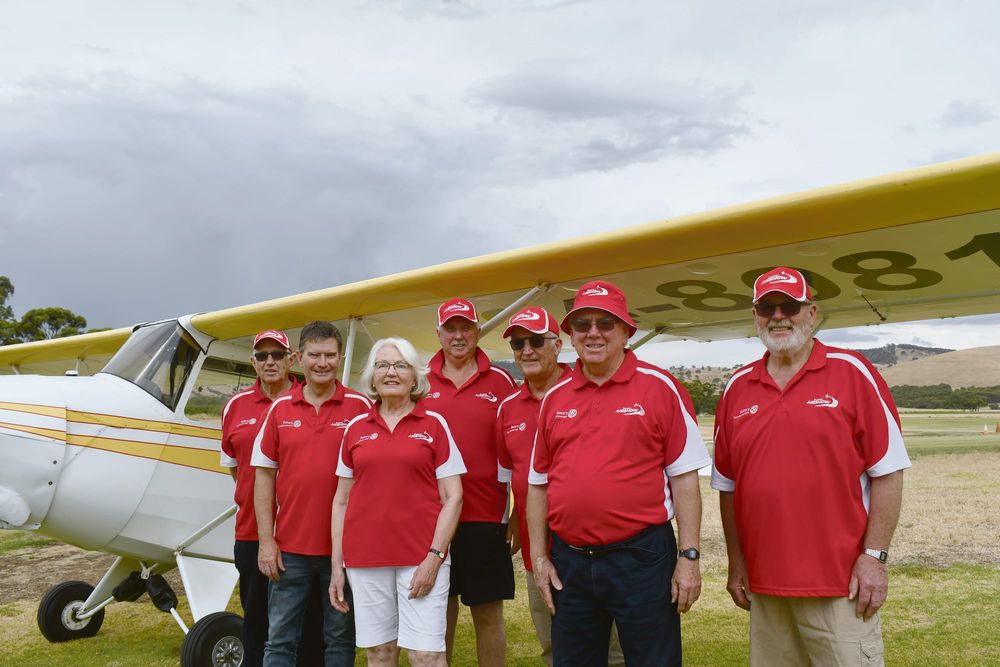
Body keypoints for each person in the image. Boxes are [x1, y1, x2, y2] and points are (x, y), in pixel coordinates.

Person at [711, 267, 911, 666]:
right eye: (767, 307)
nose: (778, 315)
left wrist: (875, 558)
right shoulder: (737, 387)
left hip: (841, 584)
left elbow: (888, 472)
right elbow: (729, 488)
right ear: (755, 316)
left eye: (790, 305)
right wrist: (737, 563)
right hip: (766, 586)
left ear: (811, 313)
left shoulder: (853, 372)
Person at [526, 281, 711, 667]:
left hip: (641, 558)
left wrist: (688, 557)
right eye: (583, 324)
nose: (594, 332)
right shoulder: (554, 399)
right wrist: (541, 559)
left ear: (627, 331)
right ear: (571, 337)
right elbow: (538, 484)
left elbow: (684, 479)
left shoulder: (660, 388)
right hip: (570, 563)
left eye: (605, 323)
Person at [495, 307, 624, 667]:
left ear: (557, 345)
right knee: (554, 647)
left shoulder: (586, 389)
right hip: (542, 553)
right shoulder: (507, 408)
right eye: (519, 343)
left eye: (536, 341)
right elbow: (515, 476)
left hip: (597, 551)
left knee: (613, 652)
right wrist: (515, 521)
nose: (527, 351)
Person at [330, 337, 466, 667]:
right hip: (365, 560)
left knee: (426, 656)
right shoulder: (355, 428)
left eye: (400, 365)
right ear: (372, 377)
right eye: (383, 365)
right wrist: (337, 566)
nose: (391, 372)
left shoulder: (434, 425)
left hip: (420, 558)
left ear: (414, 376)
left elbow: (454, 496)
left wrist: (434, 557)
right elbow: (341, 501)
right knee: (379, 653)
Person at [251, 320, 371, 667]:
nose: (323, 363)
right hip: (291, 551)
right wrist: (266, 541)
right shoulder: (280, 409)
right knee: (281, 641)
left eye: (330, 355)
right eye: (315, 355)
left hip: (344, 550)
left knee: (339, 640)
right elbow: (263, 477)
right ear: (299, 358)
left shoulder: (360, 408)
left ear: (340, 357)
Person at [220, 330, 320, 666]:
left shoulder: (310, 398)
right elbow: (238, 470)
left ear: (292, 359)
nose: (270, 361)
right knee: (258, 625)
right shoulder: (235, 406)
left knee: (309, 627)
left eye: (277, 354)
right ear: (253, 363)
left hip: (305, 536)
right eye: (262, 356)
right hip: (252, 535)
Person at [425, 297, 516, 667]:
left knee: (488, 615)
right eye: (451, 328)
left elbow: (516, 449)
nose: (459, 336)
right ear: (439, 333)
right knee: (437, 615)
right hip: (431, 519)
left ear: (478, 331)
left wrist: (516, 516)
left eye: (466, 328)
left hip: (485, 516)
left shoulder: (501, 381)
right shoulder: (419, 382)